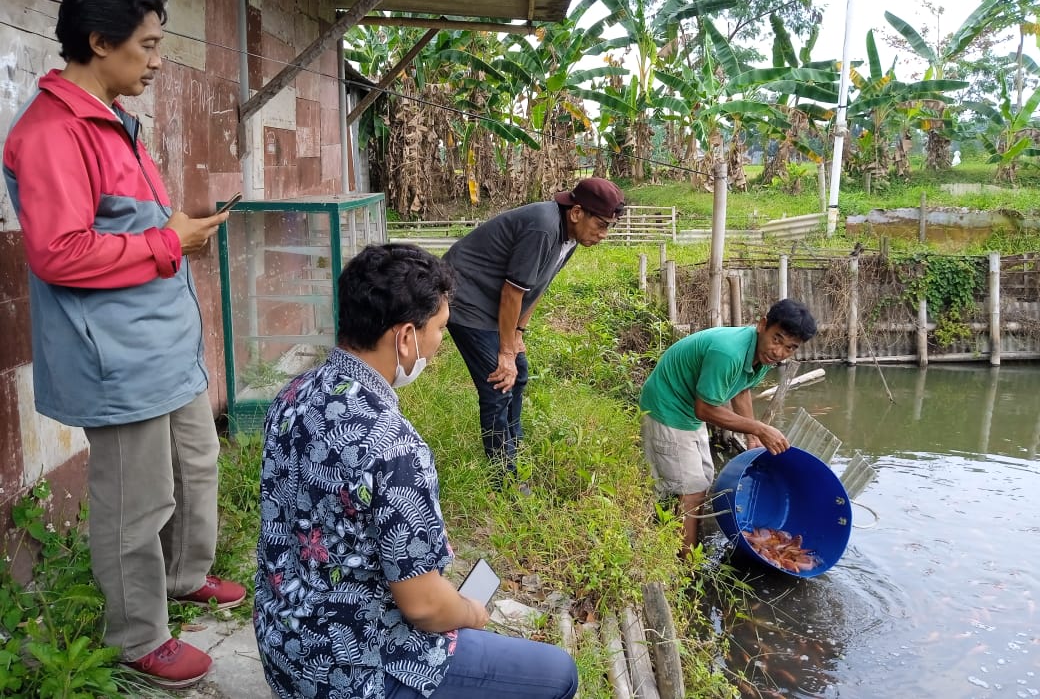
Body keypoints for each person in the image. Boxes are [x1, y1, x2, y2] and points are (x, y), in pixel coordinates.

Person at [2, 0, 244, 689]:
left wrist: (177, 234)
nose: (158, 60)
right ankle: (138, 635)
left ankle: (181, 576)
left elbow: (135, 224)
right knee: (134, 500)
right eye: (147, 45)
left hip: (164, 340)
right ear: (100, 42)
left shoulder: (115, 119)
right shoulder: (50, 133)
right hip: (115, 353)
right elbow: (59, 252)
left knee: (195, 468)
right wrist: (174, 242)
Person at [254, 243, 579, 699]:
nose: (441, 342)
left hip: (283, 642)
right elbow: (425, 606)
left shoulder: (293, 396)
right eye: (440, 328)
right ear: (406, 337)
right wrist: (471, 612)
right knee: (559, 674)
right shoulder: (394, 447)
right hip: (355, 668)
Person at [442, 177, 625, 483]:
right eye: (602, 224)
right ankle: (504, 477)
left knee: (520, 372)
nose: (604, 234)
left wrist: (517, 335)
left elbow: (537, 286)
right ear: (577, 212)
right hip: (466, 298)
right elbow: (512, 293)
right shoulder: (543, 227)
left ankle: (514, 447)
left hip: (493, 302)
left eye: (610, 227)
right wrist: (504, 351)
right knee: (498, 383)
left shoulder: (570, 239)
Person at [638, 299, 818, 557]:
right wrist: (760, 428)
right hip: (668, 408)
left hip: (687, 410)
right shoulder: (729, 352)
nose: (779, 352)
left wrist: (752, 435)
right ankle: (685, 560)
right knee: (691, 489)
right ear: (762, 325)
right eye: (777, 339)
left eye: (790, 347)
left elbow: (741, 389)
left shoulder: (759, 354)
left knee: (702, 477)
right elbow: (706, 410)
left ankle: (675, 532)